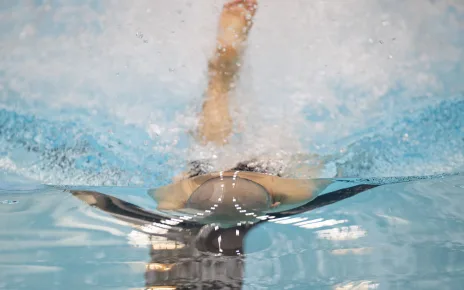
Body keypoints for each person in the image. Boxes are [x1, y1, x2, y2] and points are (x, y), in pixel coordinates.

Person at [150, 0, 332, 224]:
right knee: (217, 92)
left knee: (288, 150)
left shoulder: (296, 192)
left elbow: (327, 169)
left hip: (264, 173)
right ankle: (225, 55)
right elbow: (164, 204)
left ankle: (228, 51)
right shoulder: (178, 195)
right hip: (203, 178)